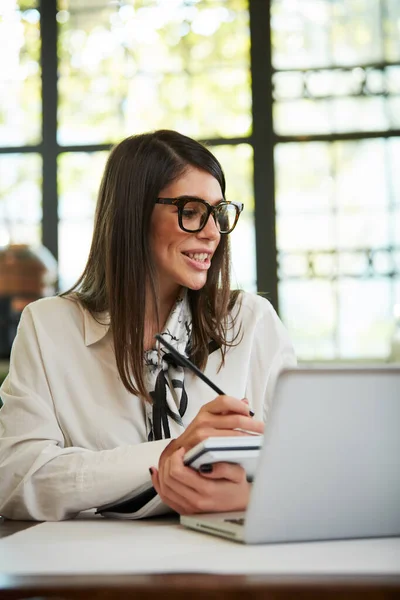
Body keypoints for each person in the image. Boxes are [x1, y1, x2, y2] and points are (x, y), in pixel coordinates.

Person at [0, 130, 296, 521]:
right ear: (133, 214)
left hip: (228, 567)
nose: (212, 233)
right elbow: (16, 482)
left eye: (219, 212)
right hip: (95, 573)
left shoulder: (253, 321)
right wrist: (173, 452)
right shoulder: (48, 327)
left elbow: (308, 467)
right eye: (190, 212)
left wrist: (253, 497)